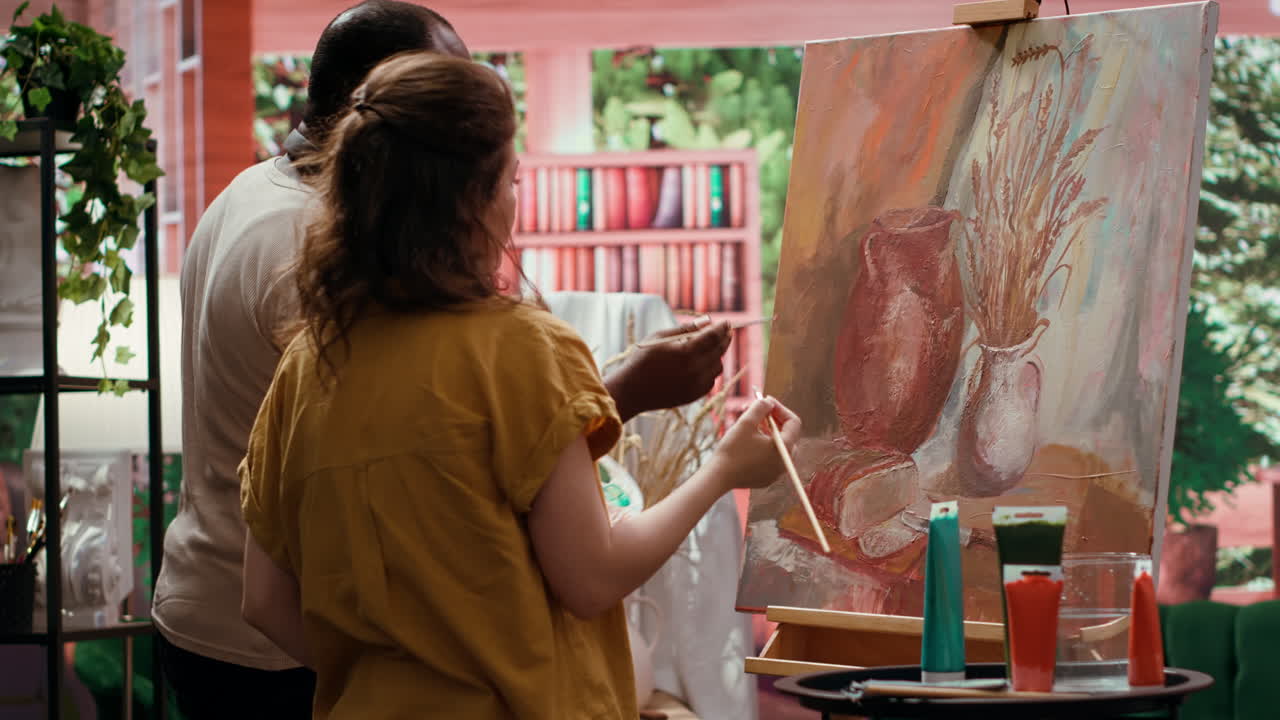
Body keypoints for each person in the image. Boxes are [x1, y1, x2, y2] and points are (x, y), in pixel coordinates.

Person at [153, 2, 731, 718]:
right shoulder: (308, 258)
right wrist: (693, 447)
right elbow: (424, 449)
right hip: (284, 658)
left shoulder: (254, 203)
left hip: (253, 623)